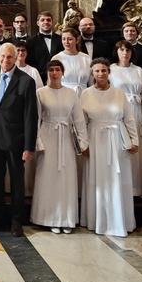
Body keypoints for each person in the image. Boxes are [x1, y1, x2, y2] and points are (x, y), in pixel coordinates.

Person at [0, 43, 38, 236]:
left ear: (16, 58)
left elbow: (31, 116)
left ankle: (17, 221)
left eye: (9, 57)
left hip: (16, 141)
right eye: (2, 56)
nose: (5, 60)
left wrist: (29, 146)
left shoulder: (26, 81)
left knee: (17, 181)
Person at [81, 58, 139, 237]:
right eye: (97, 71)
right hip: (95, 139)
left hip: (117, 139)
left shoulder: (119, 93)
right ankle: (97, 220)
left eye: (104, 70)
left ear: (109, 72)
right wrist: (83, 144)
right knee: (98, 181)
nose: (100, 74)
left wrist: (134, 140)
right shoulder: (85, 94)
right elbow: (81, 122)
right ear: (92, 74)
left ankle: (119, 221)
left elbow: (129, 118)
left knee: (117, 179)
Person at [31, 59, 89, 233]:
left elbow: (78, 119)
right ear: (47, 73)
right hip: (48, 136)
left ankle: (66, 218)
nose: (54, 73)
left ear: (62, 72)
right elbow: (36, 119)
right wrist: (38, 141)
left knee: (66, 177)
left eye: (57, 69)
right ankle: (50, 218)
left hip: (66, 138)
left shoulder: (71, 93)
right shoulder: (40, 93)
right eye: (51, 70)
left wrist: (83, 141)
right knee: (48, 177)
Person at [109, 41, 142, 197]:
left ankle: (138, 188)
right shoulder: (111, 70)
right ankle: (124, 187)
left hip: (136, 110)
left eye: (128, 50)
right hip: (119, 111)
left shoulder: (138, 70)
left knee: (137, 148)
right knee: (123, 145)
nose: (125, 53)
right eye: (121, 50)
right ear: (117, 52)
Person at [29, 11, 64, 80]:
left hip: (59, 78)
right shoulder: (31, 41)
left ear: (52, 22)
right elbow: (30, 61)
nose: (46, 22)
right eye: (42, 20)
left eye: (48, 20)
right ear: (38, 23)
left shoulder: (61, 39)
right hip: (38, 78)